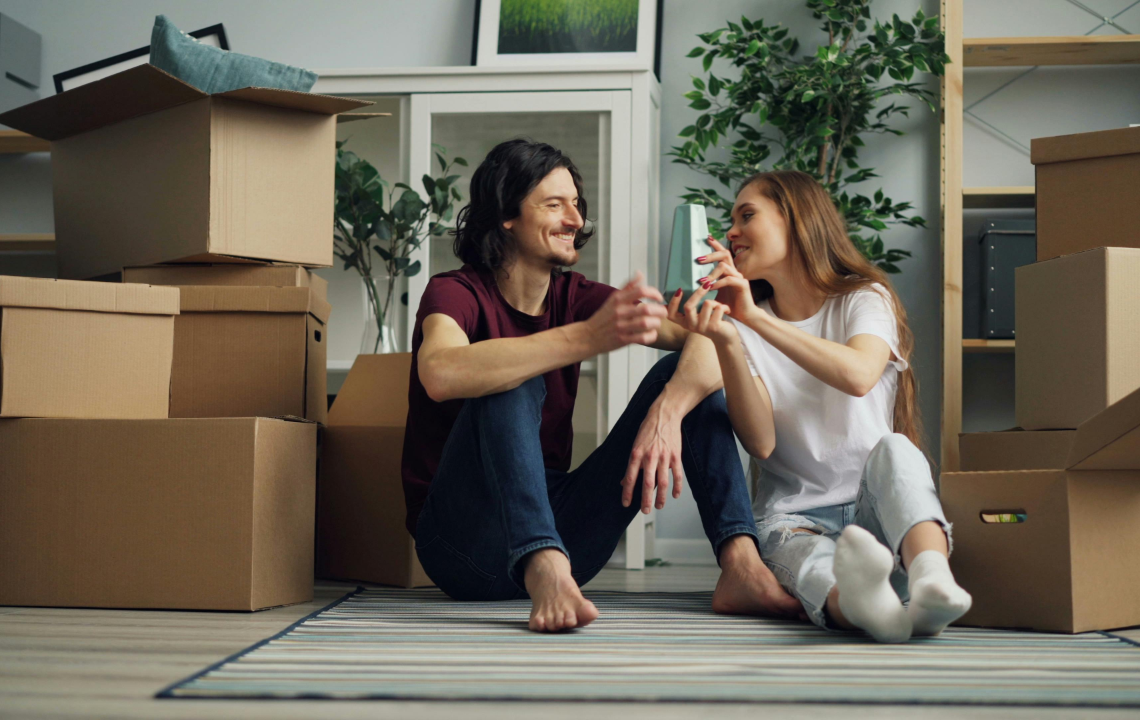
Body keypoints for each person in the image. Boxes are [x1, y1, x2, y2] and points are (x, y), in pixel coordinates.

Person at [403, 139, 804, 632]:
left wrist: (667, 412)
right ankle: (543, 564)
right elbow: (440, 373)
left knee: (682, 376)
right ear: (506, 215)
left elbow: (715, 339)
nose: (575, 218)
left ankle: (741, 562)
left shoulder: (577, 294)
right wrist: (585, 337)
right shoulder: (456, 291)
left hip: (566, 529)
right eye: (554, 204)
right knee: (509, 375)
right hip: (463, 545)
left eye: (576, 204)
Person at [667, 170, 971, 642]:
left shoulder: (863, 298)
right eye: (731, 220)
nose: (731, 232)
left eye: (747, 215)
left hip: (878, 506)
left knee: (895, 450)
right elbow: (762, 442)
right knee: (811, 562)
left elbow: (857, 375)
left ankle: (932, 579)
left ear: (798, 221)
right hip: (795, 517)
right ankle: (867, 610)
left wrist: (752, 321)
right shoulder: (745, 326)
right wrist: (730, 337)